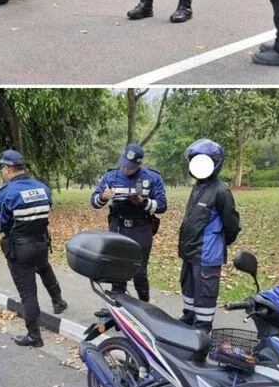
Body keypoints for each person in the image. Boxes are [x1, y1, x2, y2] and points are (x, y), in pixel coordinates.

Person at [0, 150, 67, 347]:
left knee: (27, 293)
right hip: (41, 243)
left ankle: (34, 336)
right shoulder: (43, 188)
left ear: (7, 169)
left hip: (19, 249)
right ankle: (58, 301)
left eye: (2, 169)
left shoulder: (3, 194)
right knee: (44, 268)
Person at [90, 143, 167, 303]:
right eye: (124, 164)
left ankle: (145, 306)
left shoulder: (152, 178)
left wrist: (143, 202)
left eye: (130, 167)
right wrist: (103, 197)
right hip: (117, 228)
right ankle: (116, 306)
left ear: (139, 164)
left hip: (141, 229)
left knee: (139, 271)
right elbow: (94, 202)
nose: (126, 169)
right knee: (117, 268)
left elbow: (162, 206)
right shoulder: (110, 177)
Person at [179, 140, 239, 329]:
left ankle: (202, 330)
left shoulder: (221, 191)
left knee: (205, 296)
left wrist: (219, 242)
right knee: (188, 290)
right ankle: (188, 320)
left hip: (207, 254)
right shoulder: (198, 187)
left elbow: (232, 225)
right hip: (190, 252)